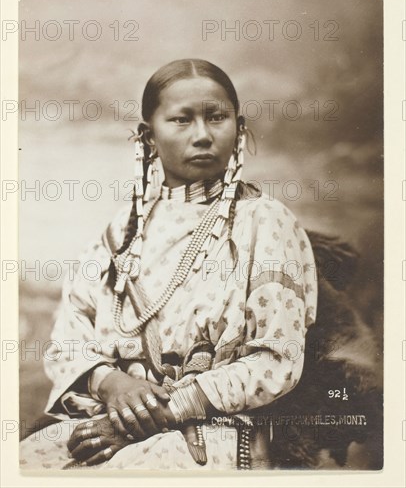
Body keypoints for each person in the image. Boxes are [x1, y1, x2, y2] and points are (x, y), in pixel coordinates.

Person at [20, 59, 318, 470]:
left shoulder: (264, 224)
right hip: (106, 416)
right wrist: (111, 382)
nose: (202, 135)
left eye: (217, 117)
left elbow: (276, 359)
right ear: (149, 136)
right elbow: (69, 338)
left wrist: (164, 410)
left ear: (239, 127)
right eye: (181, 120)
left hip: (215, 431)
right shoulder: (121, 233)